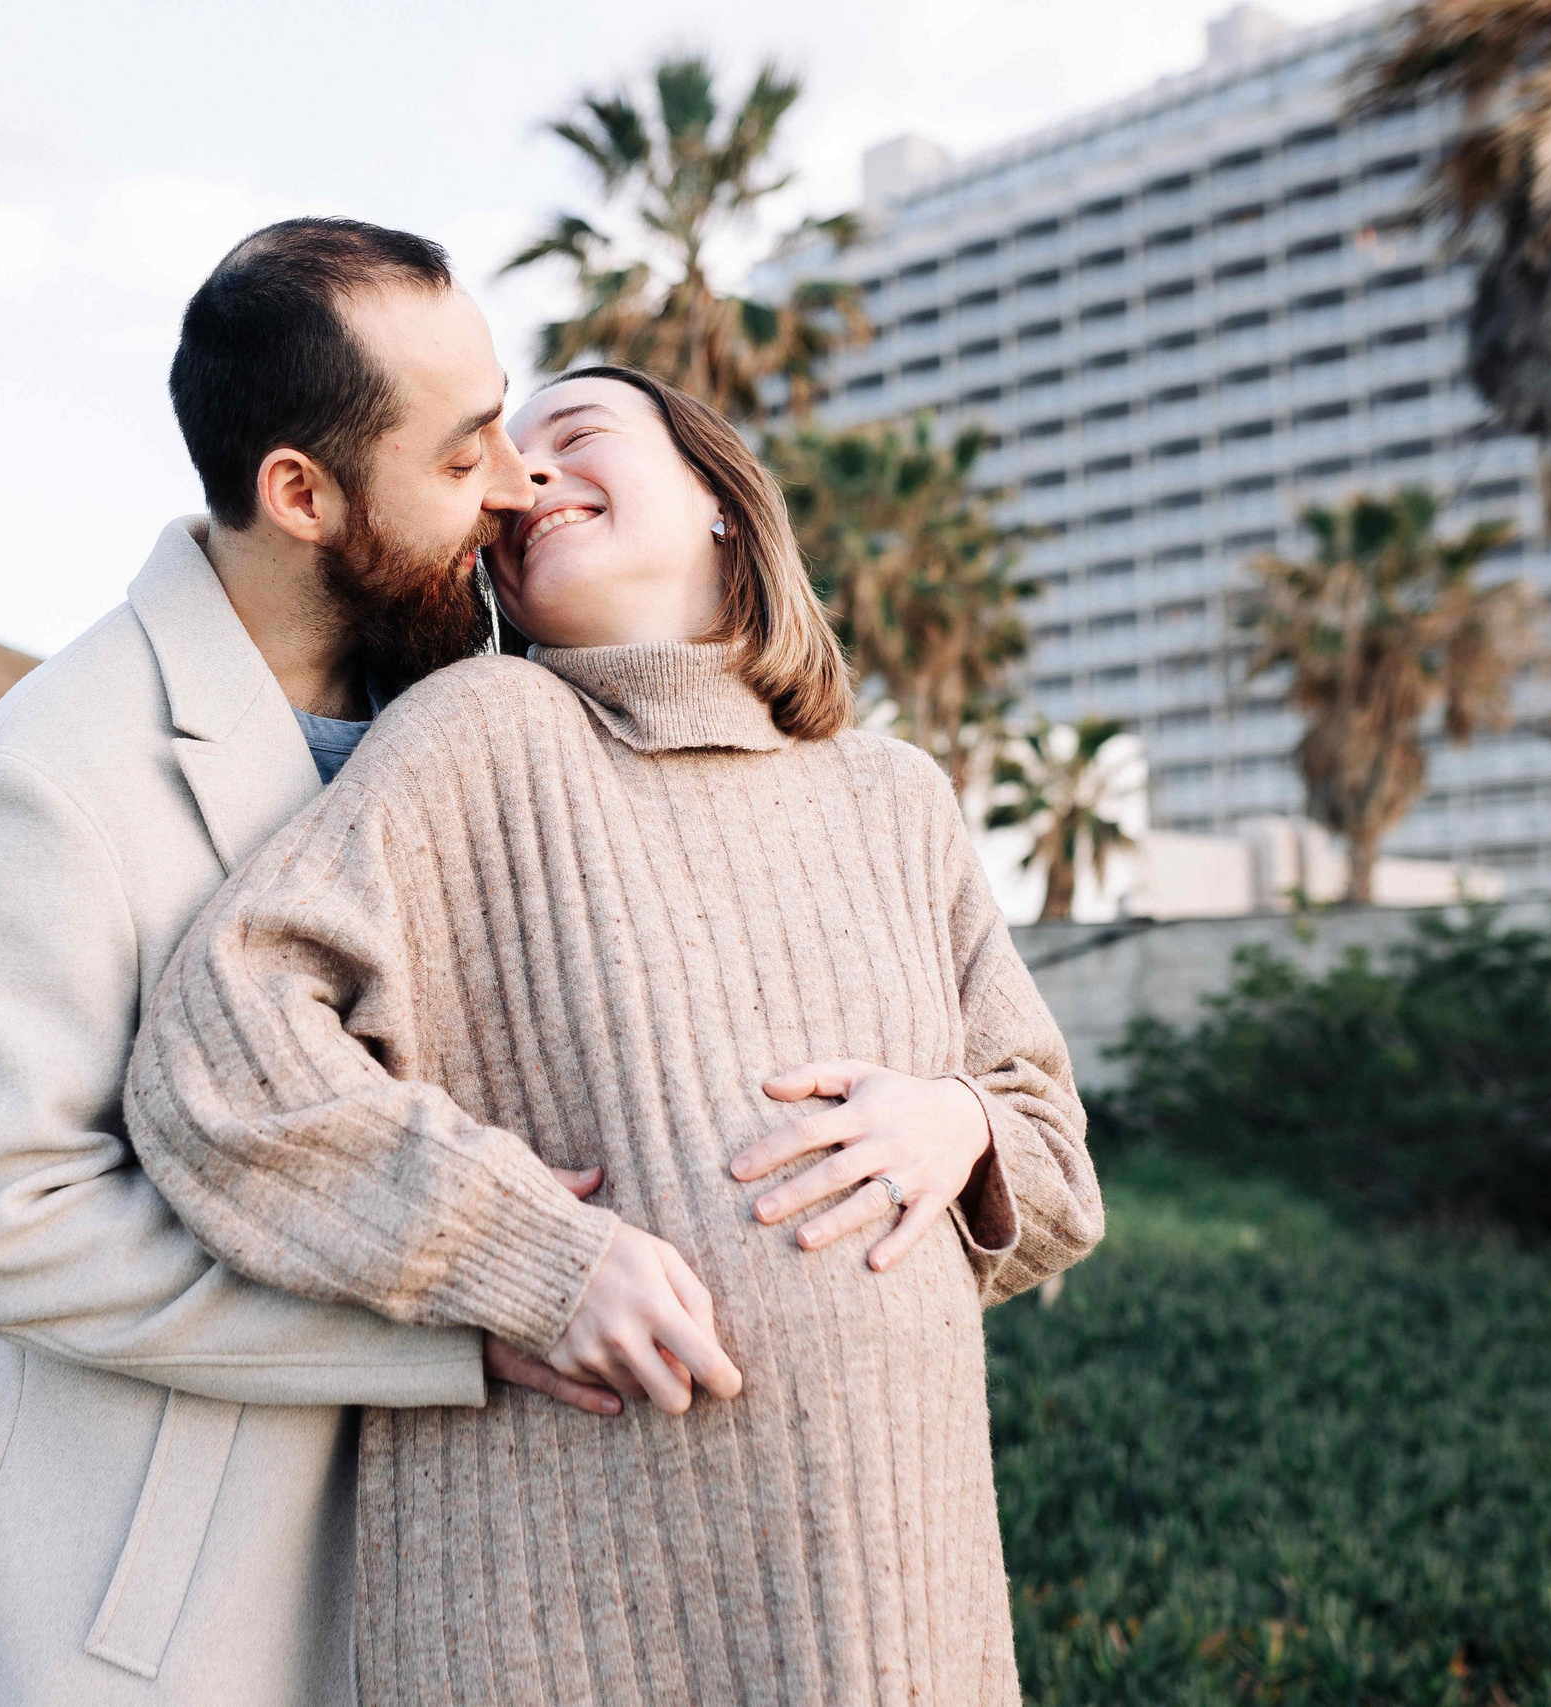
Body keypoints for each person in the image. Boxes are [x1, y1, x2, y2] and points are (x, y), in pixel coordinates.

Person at [126, 366, 1106, 1706]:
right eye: (501, 472)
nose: (526, 482)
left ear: (718, 498)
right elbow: (217, 1053)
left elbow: (1056, 1166)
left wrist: (963, 1123)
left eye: (572, 437)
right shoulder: (479, 734)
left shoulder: (897, 797)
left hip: (897, 1579)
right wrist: (527, 1256)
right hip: (560, 1586)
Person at [0, 219, 634, 1707]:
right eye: (463, 448)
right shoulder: (43, 780)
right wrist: (459, 1311)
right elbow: (6, 1216)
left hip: (488, 1568)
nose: (516, 483)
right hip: (194, 1624)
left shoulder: (484, 699)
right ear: (301, 492)